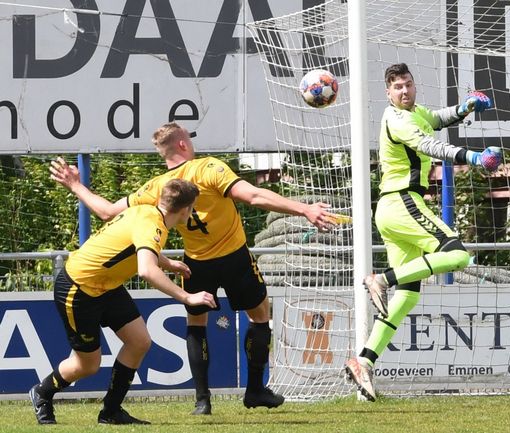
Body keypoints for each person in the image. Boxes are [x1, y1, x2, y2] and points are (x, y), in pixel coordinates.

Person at [49, 123, 336, 415]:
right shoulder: (209, 168)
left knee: (196, 325)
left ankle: (202, 400)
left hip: (195, 263)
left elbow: (107, 211)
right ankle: (255, 389)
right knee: (260, 315)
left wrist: (75, 185)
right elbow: (253, 196)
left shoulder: (158, 187)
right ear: (184, 145)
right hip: (234, 256)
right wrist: (305, 209)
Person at [344, 63, 501, 400]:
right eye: (397, 87)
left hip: (391, 209)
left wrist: (466, 107)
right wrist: (473, 157)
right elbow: (430, 146)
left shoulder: (414, 112)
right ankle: (382, 278)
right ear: (388, 93)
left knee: (409, 295)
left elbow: (438, 119)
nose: (404, 91)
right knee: (457, 255)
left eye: (408, 85)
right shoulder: (398, 120)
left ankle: (364, 361)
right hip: (403, 202)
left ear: (414, 87)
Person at [29, 179, 215, 425]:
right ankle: (42, 392)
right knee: (87, 364)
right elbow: (146, 271)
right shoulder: (153, 224)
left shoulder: (147, 210)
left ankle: (111, 412)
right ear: (186, 210)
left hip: (106, 285)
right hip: (79, 288)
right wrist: (187, 297)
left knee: (139, 341)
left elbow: (137, 243)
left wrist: (167, 263)